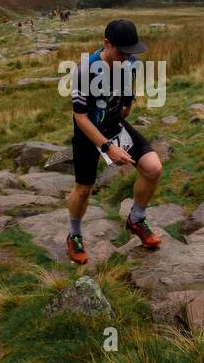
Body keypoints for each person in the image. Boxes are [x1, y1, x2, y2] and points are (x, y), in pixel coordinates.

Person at [66, 19, 164, 264]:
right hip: (88, 130)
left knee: (153, 168)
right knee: (84, 189)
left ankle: (136, 219)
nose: (127, 57)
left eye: (131, 52)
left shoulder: (130, 62)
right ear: (106, 43)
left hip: (114, 124)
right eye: (122, 52)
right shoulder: (84, 69)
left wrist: (128, 102)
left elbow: (128, 86)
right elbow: (80, 117)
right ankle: (74, 235)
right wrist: (108, 148)